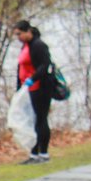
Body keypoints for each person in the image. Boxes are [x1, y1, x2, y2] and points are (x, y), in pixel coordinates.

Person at [13, 20, 55, 163]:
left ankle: (43, 153)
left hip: (41, 87)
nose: (18, 37)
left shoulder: (38, 45)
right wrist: (19, 86)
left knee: (40, 119)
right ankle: (33, 153)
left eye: (19, 34)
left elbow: (45, 65)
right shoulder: (26, 47)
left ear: (27, 32)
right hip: (28, 88)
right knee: (31, 121)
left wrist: (33, 78)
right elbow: (21, 67)